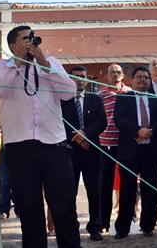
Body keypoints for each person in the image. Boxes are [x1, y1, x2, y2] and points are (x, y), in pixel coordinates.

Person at [0, 25, 80, 248]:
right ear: (12, 46)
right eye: (24, 39)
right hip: (20, 148)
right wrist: (19, 61)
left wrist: (46, 66)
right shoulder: (3, 66)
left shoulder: (51, 63)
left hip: (54, 146)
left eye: (32, 37)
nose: (31, 41)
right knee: (29, 210)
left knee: (64, 206)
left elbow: (69, 92)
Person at [113, 66, 157, 238]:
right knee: (127, 191)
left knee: (151, 190)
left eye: (145, 77)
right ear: (132, 80)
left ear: (150, 81)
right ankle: (123, 228)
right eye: (139, 77)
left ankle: (148, 226)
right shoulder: (123, 98)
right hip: (129, 151)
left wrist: (149, 132)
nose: (142, 80)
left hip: (151, 150)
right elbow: (119, 119)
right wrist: (138, 131)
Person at [61, 65, 106, 241]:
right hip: (70, 153)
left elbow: (102, 122)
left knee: (95, 193)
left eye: (83, 77)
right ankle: (71, 228)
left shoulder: (96, 99)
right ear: (70, 79)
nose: (79, 80)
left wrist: (86, 134)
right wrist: (78, 137)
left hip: (92, 152)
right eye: (76, 77)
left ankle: (95, 227)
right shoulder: (62, 100)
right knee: (69, 194)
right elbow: (60, 123)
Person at [98, 63, 130, 233]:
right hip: (105, 145)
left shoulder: (129, 93)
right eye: (112, 72)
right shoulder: (100, 95)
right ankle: (103, 223)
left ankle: (125, 222)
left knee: (127, 185)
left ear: (123, 76)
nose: (116, 75)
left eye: (118, 72)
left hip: (125, 145)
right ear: (107, 76)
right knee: (105, 185)